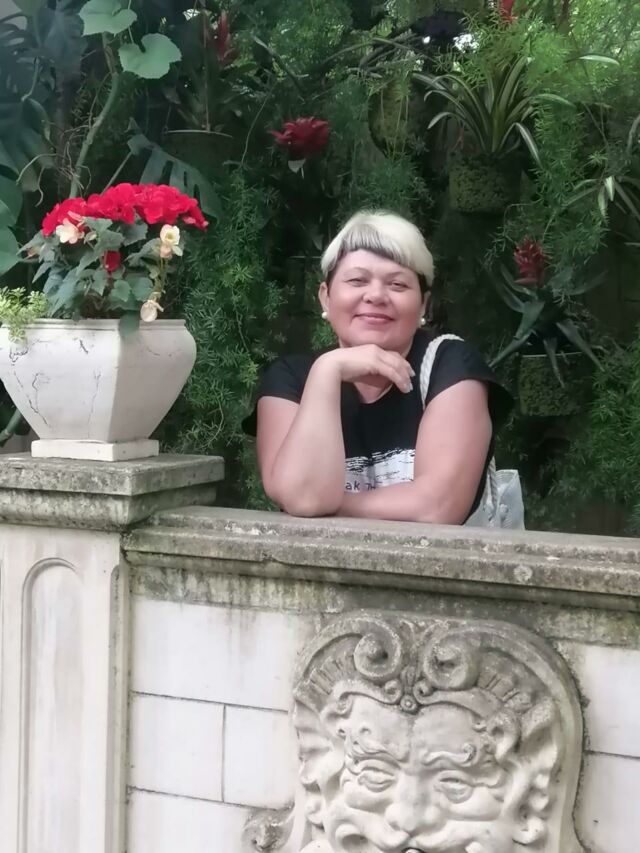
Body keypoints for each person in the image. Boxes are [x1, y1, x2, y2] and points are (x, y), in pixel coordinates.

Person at [244, 211, 511, 524]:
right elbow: (304, 497)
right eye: (357, 280)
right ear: (326, 298)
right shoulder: (290, 379)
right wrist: (327, 372)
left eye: (397, 284)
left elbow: (436, 507)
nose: (375, 296)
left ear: (423, 305)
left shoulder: (450, 366)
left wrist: (325, 504)